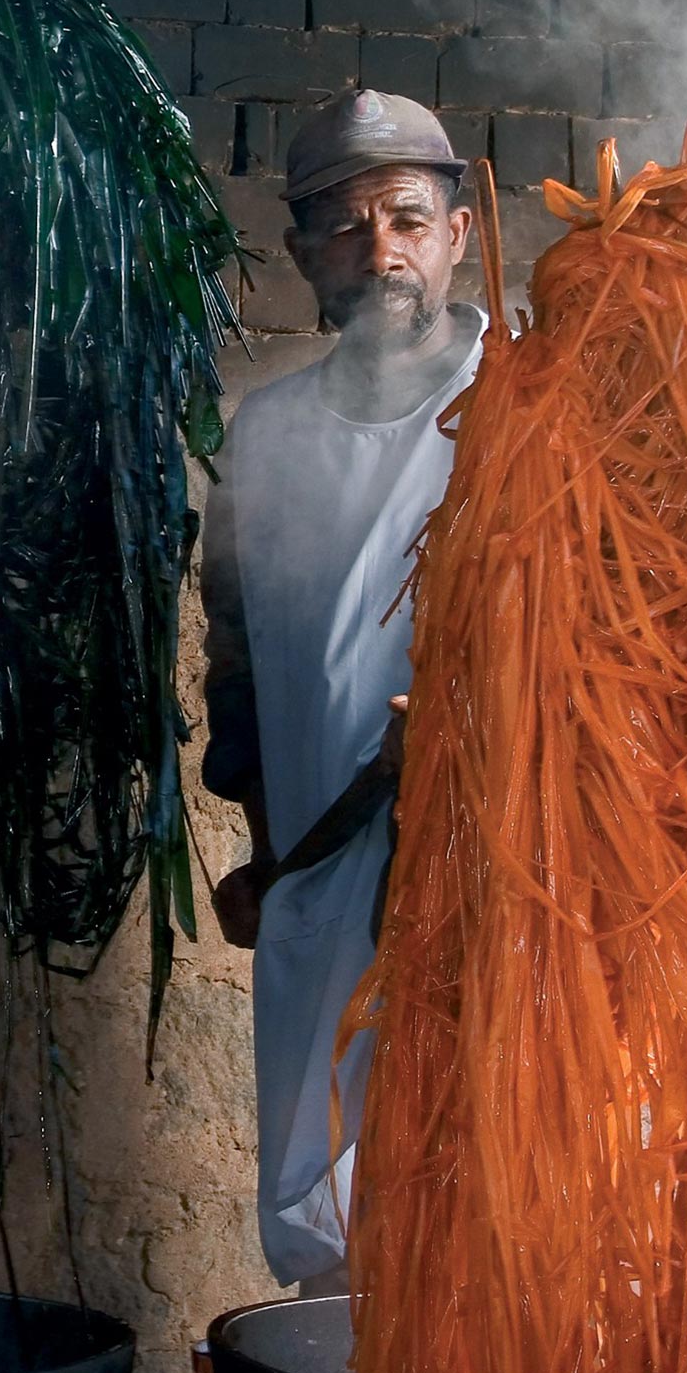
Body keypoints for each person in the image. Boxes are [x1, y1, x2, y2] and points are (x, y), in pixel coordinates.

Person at [201, 88, 481, 1291]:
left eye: (407, 220)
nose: (383, 254)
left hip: (489, 878)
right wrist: (270, 858)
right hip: (319, 876)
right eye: (346, 227)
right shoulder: (263, 442)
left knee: (480, 1193)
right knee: (331, 1232)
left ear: (456, 232)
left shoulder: (522, 407)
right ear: (301, 253)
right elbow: (239, 677)